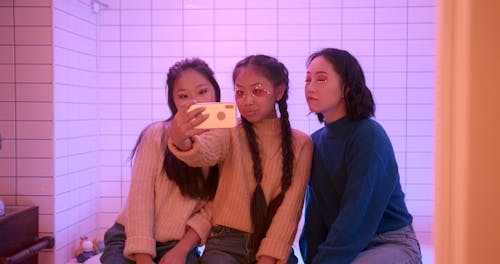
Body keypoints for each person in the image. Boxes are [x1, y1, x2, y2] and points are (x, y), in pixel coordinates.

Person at [168, 55, 313, 263]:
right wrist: (180, 139)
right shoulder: (229, 130)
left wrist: (268, 258)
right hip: (224, 242)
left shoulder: (301, 144)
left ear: (279, 92)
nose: (247, 100)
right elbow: (205, 151)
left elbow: (289, 212)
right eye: (240, 92)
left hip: (273, 245)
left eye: (258, 91)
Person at [298, 48, 423, 264]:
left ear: (346, 86)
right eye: (308, 80)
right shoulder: (315, 141)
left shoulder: (368, 135)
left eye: (321, 79)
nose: (310, 87)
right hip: (348, 247)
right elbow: (315, 216)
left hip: (390, 242)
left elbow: (357, 213)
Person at [100, 58, 221, 264]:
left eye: (202, 92)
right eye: (183, 96)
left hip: (178, 243)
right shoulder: (156, 135)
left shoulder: (225, 142)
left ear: (216, 93)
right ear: (173, 101)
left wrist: (182, 250)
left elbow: (211, 210)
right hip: (128, 237)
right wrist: (143, 256)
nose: (195, 102)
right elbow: (140, 199)